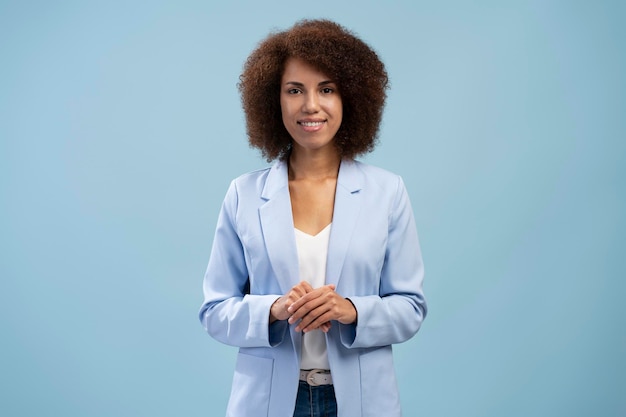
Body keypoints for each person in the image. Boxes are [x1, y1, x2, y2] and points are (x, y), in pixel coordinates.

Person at [199, 19, 427, 417]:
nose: (311, 105)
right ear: (274, 100)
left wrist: (351, 310)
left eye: (327, 89)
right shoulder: (244, 194)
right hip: (269, 401)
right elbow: (214, 311)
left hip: (359, 399)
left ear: (350, 98)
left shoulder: (387, 192)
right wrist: (273, 310)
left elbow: (410, 307)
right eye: (294, 90)